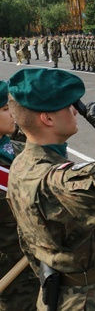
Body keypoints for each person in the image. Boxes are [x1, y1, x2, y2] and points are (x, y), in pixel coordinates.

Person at [6, 68, 95, 310]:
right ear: (47, 119)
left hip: (58, 289)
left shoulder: (21, 161)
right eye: (69, 105)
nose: (75, 111)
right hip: (83, 299)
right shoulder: (54, 181)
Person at [0, 81, 38, 310]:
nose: (11, 113)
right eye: (5, 109)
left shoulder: (14, 147)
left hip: (32, 263)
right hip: (9, 275)